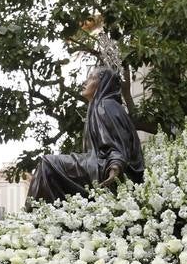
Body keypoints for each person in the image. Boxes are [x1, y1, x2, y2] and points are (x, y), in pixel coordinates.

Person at [26, 66, 145, 203]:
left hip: (104, 167)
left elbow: (118, 144)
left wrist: (115, 166)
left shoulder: (105, 106)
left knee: (47, 164)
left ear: (102, 84)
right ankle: (53, 212)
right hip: (99, 163)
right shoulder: (104, 105)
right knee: (50, 165)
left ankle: (36, 214)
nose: (85, 82)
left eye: (92, 78)